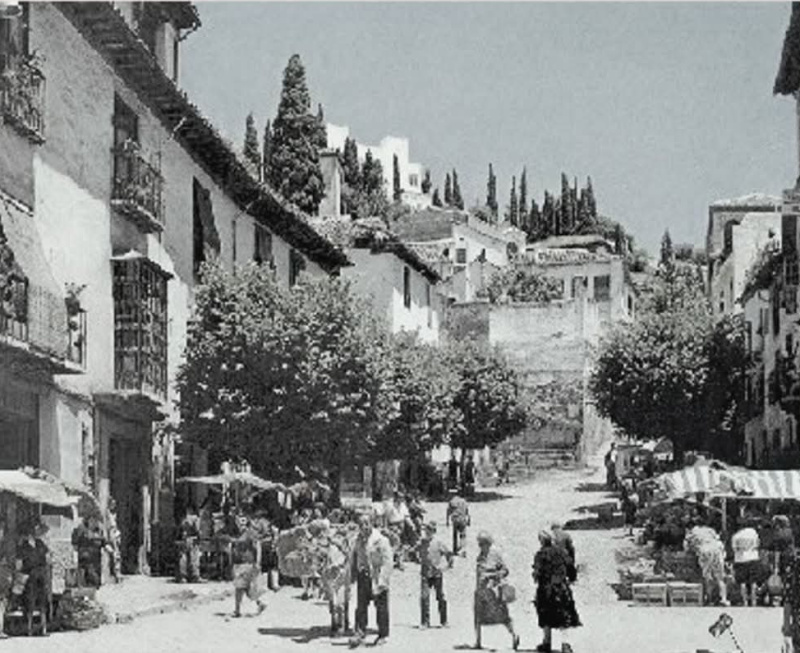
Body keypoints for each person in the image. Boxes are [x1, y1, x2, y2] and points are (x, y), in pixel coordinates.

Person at [532, 530, 581, 653]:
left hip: (545, 589)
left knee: (545, 615)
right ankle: (565, 644)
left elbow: (536, 573)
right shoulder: (562, 552)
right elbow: (570, 567)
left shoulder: (540, 554)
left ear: (541, 541)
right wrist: (572, 578)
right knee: (564, 616)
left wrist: (536, 577)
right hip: (561, 587)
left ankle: (546, 642)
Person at [350, 514, 393, 647]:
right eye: (361, 524)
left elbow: (388, 562)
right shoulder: (356, 540)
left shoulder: (381, 540)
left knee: (381, 607)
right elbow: (354, 557)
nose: (364, 527)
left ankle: (383, 634)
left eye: (367, 523)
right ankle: (360, 633)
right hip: (363, 576)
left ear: (371, 524)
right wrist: (353, 574)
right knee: (361, 607)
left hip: (377, 576)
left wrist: (383, 581)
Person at [473, 531, 519, 651]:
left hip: (493, 590)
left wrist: (491, 575)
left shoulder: (495, 554)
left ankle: (514, 635)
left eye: (482, 543)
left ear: (488, 543)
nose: (480, 546)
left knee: (503, 616)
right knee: (478, 615)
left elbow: (505, 570)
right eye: (479, 543)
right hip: (481, 590)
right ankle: (478, 641)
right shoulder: (480, 556)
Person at [417, 521, 452, 629]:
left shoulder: (439, 542)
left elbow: (449, 554)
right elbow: (414, 551)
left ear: (433, 531)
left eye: (429, 530)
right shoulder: (422, 542)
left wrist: (446, 567)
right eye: (426, 530)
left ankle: (444, 621)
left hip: (437, 574)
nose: (427, 532)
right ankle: (425, 622)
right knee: (424, 597)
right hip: (425, 573)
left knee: (441, 597)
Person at [17, 521, 50, 635]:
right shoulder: (24, 547)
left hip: (39, 575)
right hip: (32, 576)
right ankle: (31, 628)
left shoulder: (39, 543)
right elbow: (19, 564)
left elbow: (48, 558)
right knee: (31, 602)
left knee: (40, 601)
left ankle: (42, 628)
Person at [684, 522, 728, 606]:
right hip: (717, 549)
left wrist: (692, 549)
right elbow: (718, 539)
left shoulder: (691, 533)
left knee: (707, 576)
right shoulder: (710, 530)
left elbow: (686, 546)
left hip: (705, 550)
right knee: (720, 576)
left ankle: (709, 598)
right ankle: (723, 598)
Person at [231, 527, 266, 617]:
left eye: (243, 520)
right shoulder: (235, 533)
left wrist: (258, 562)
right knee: (244, 588)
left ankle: (237, 610)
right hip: (238, 563)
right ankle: (259, 603)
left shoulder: (250, 533)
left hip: (247, 563)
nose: (241, 522)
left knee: (240, 587)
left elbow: (258, 547)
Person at [732, 521, 761, 607]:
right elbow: (757, 544)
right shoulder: (753, 532)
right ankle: (754, 601)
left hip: (740, 559)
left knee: (742, 582)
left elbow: (734, 549)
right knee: (753, 581)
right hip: (753, 557)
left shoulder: (736, 536)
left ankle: (745, 602)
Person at [72, 515, 105, 588]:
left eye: (95, 520)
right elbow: (75, 545)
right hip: (84, 560)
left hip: (95, 562)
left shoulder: (99, 530)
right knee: (84, 580)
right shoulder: (80, 529)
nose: (94, 523)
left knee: (94, 581)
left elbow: (103, 543)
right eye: (92, 520)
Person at [176, 505, 201, 583]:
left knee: (183, 558)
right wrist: (199, 537)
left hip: (184, 539)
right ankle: (194, 575)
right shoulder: (195, 519)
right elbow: (197, 530)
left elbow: (179, 531)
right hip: (192, 539)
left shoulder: (183, 519)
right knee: (194, 557)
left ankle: (183, 576)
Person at [105, 498, 122, 583]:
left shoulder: (113, 514)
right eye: (112, 504)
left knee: (117, 552)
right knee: (114, 553)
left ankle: (117, 572)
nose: (114, 506)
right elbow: (108, 525)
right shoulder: (107, 513)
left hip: (114, 532)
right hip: (111, 532)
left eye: (114, 504)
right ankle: (115, 573)